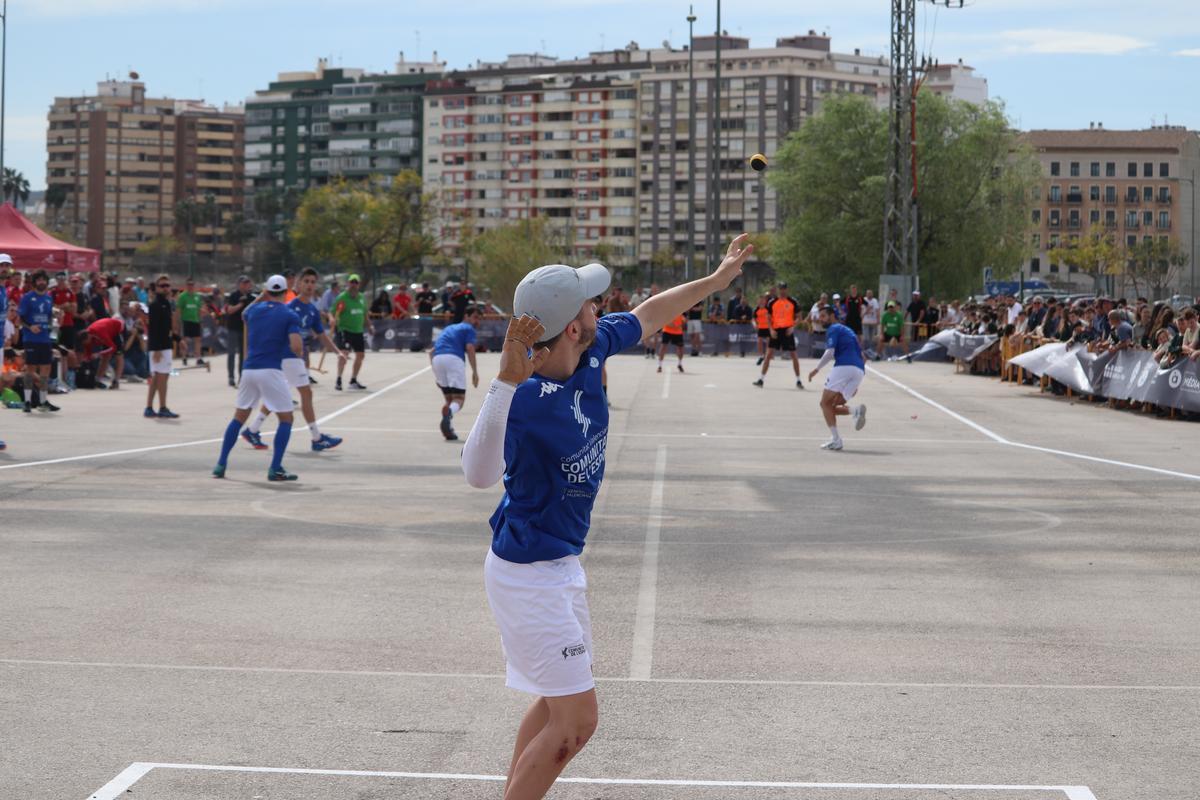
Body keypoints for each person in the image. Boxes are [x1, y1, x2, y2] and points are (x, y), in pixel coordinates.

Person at [460, 233, 755, 800]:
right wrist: (503, 382)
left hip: (559, 564)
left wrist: (716, 282)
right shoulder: (522, 399)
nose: (604, 306)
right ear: (572, 325)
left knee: (553, 704)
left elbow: (649, 313)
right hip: (527, 573)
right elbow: (477, 474)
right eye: (592, 302)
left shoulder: (593, 347)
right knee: (577, 724)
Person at [242, 268, 347, 453]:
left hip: (293, 358)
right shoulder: (290, 307)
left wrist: (337, 352)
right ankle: (316, 437)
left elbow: (322, 336)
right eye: (306, 281)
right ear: (298, 284)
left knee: (278, 396)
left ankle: (252, 429)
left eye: (313, 282)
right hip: (289, 355)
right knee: (306, 394)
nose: (309, 285)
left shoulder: (312, 310)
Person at [213, 275, 303, 481]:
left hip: (249, 370)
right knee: (286, 418)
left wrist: (260, 297)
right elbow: (296, 346)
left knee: (239, 417)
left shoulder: (254, 311)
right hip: (271, 369)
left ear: (267, 291)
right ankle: (275, 468)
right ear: (286, 291)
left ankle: (220, 464)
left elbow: (244, 313)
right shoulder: (289, 314)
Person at [807, 305, 867, 451]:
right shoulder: (848, 331)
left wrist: (816, 369)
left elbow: (830, 352)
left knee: (824, 404)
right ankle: (855, 411)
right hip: (859, 370)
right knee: (831, 406)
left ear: (832, 316)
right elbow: (863, 357)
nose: (820, 319)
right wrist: (854, 381)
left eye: (823, 316)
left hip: (844, 366)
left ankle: (836, 440)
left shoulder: (833, 329)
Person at [431, 304, 481, 441]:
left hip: (437, 359)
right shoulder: (468, 328)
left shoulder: (448, 328)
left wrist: (437, 375)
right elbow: (470, 348)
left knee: (449, 399)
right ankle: (449, 413)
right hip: (454, 359)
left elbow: (431, 352)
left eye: (479, 318)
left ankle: (449, 428)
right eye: (475, 317)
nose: (477, 321)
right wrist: (475, 372)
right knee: (459, 399)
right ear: (466, 316)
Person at [17, 270, 60, 413]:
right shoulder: (27, 298)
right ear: (34, 282)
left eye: (44, 280)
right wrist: (30, 327)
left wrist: (53, 320)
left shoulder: (48, 299)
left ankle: (43, 401)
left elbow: (48, 318)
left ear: (47, 282)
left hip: (45, 339)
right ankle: (27, 401)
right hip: (31, 338)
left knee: (46, 369)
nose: (41, 282)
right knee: (30, 369)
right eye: (39, 280)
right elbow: (20, 319)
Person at [753, 283, 803, 389]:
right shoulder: (772, 302)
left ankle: (798, 380)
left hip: (787, 331)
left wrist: (793, 327)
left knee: (794, 355)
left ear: (787, 289)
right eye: (781, 289)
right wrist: (770, 329)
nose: (782, 291)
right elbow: (768, 317)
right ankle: (761, 379)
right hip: (775, 331)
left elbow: (799, 317)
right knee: (768, 355)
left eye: (784, 289)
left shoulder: (793, 301)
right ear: (778, 290)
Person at [144, 274, 180, 419]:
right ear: (157, 288)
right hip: (159, 346)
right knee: (162, 378)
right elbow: (154, 328)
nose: (166, 288)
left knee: (157, 378)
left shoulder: (166, 304)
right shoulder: (156, 305)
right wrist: (157, 349)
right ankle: (162, 407)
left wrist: (178, 339)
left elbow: (167, 328)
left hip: (164, 344)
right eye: (162, 286)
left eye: (167, 285)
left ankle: (149, 407)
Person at [333, 274, 372, 391]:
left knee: (360, 355)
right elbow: (333, 311)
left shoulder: (361, 298)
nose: (354, 285)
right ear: (348, 283)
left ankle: (353, 380)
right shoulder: (342, 297)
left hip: (358, 331)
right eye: (352, 282)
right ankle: (339, 379)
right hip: (345, 330)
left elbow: (365, 314)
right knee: (344, 354)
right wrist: (331, 318)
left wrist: (369, 326)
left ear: (359, 284)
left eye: (356, 283)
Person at [83, 315, 127, 389]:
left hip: (117, 329)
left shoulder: (100, 333)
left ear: (88, 337)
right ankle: (97, 380)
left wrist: (98, 354)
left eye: (86, 342)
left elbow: (113, 348)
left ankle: (116, 381)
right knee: (105, 357)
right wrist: (87, 358)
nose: (86, 344)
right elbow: (88, 352)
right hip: (107, 330)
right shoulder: (87, 337)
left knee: (118, 356)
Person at [224, 276, 253, 387]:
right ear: (239, 284)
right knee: (231, 353)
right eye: (244, 283)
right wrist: (240, 304)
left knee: (243, 354)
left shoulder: (251, 297)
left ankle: (242, 376)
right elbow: (230, 310)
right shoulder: (234, 295)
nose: (246, 285)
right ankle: (231, 377)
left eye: (247, 283)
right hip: (233, 328)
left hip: (245, 329)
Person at [176, 278, 205, 366]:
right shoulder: (182, 296)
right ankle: (184, 357)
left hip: (195, 320)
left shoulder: (197, 296)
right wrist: (178, 322)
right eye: (189, 284)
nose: (190, 286)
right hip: (186, 320)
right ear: (186, 285)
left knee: (198, 339)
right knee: (184, 340)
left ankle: (198, 358)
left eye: (192, 284)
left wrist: (200, 319)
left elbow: (199, 309)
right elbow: (179, 310)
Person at [753, 293, 771, 365]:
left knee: (768, 343)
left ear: (765, 301)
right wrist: (755, 324)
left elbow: (772, 317)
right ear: (758, 301)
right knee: (759, 342)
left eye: (763, 300)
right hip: (760, 328)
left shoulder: (768, 309)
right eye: (760, 300)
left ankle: (767, 356)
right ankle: (761, 356)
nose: (761, 301)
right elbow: (753, 319)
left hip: (768, 328)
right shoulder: (756, 309)